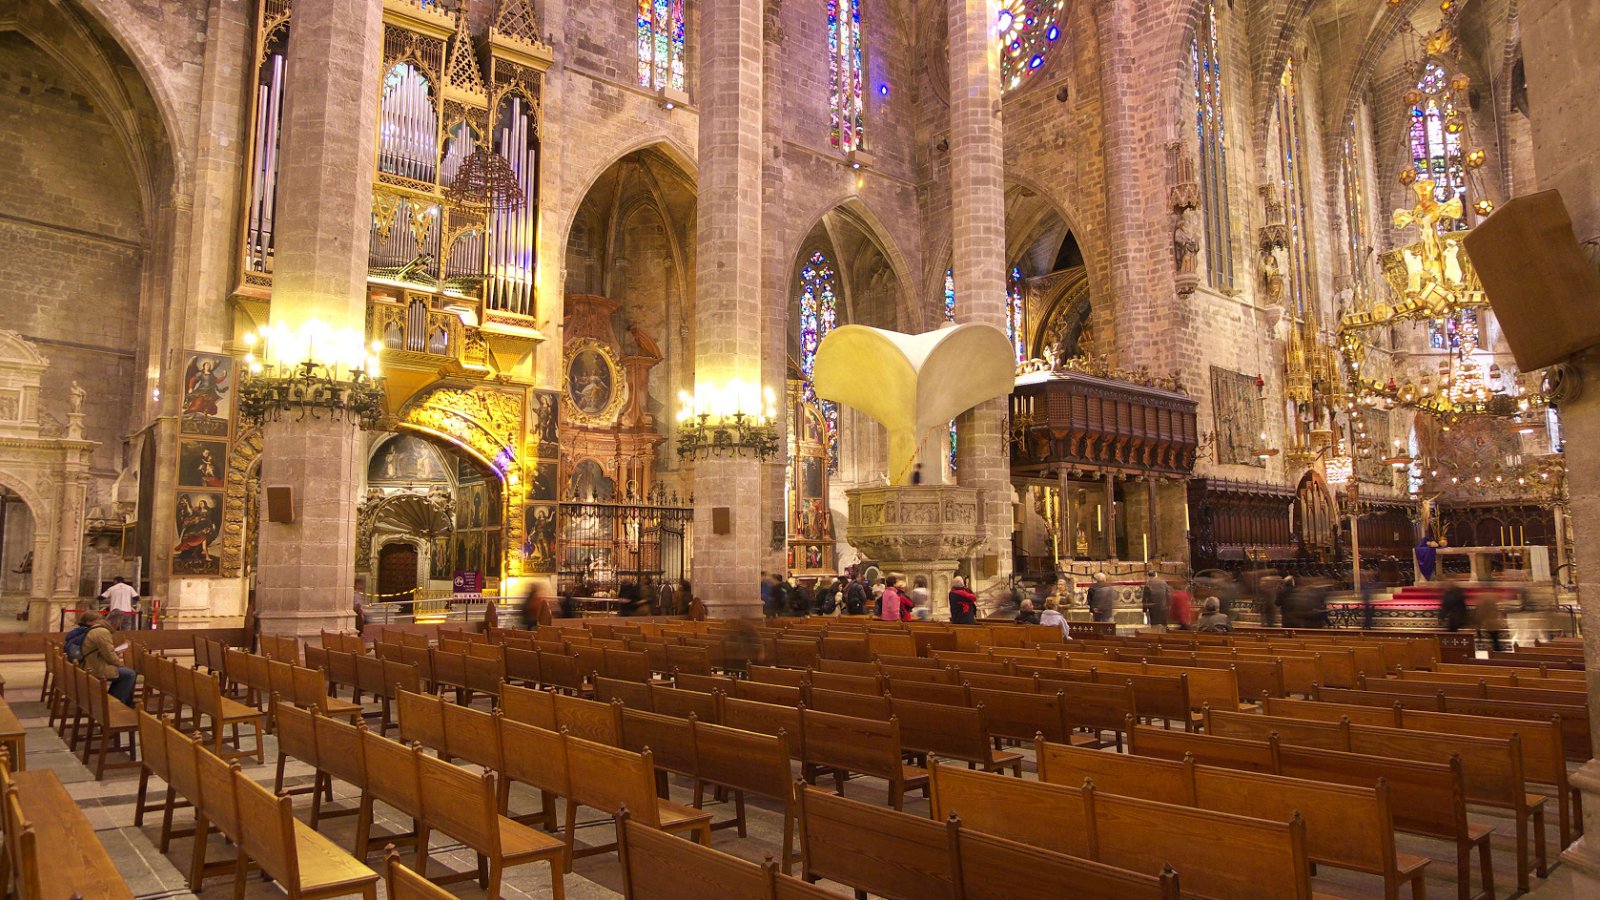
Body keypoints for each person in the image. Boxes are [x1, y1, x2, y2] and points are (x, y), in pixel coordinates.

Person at [76, 611, 135, 706]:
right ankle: (114, 705)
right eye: (98, 619)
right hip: (92, 668)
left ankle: (113, 700)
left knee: (124, 672)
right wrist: (120, 664)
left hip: (84, 664)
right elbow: (110, 657)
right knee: (130, 674)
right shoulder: (101, 632)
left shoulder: (87, 630)